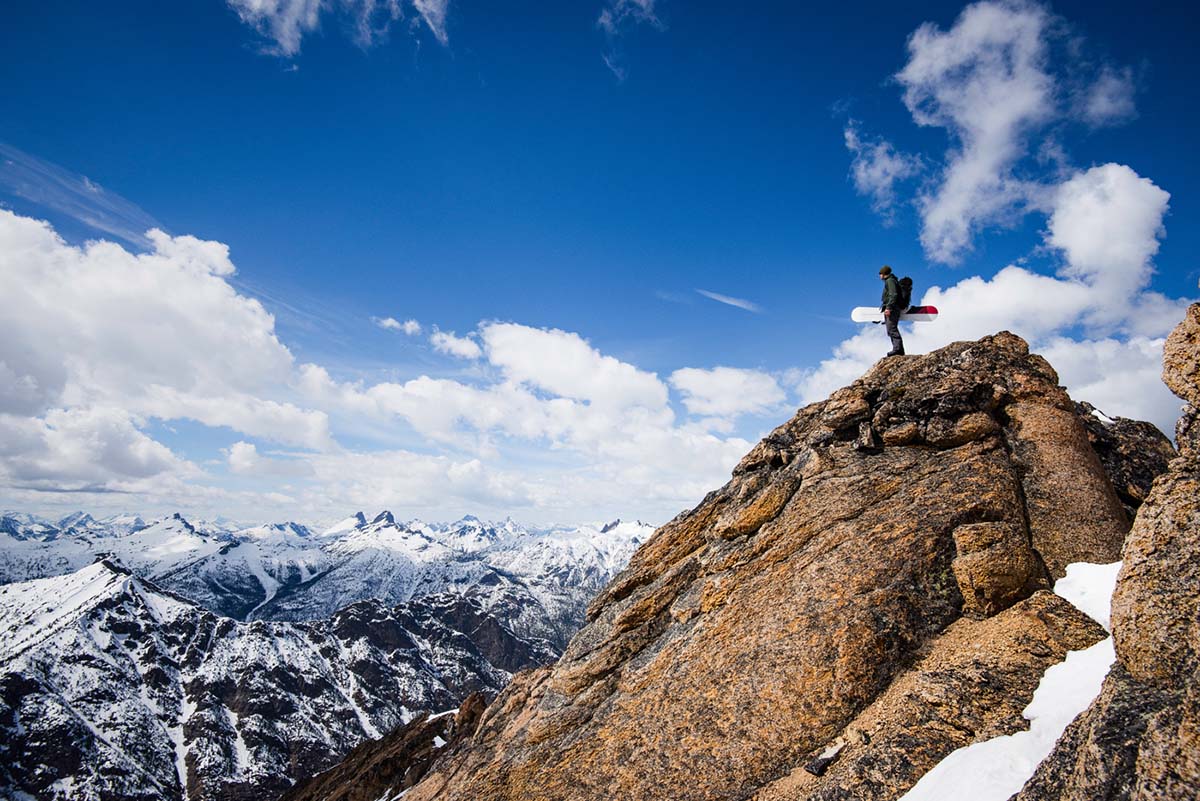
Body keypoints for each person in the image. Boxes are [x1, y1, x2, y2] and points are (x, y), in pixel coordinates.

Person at [879, 265, 904, 356]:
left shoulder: (890, 281)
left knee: (892, 329)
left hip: (892, 308)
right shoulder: (891, 280)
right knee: (890, 329)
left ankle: (898, 349)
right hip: (893, 307)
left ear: (884, 273)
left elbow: (893, 294)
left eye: (880, 273)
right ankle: (898, 349)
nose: (879, 276)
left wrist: (889, 307)